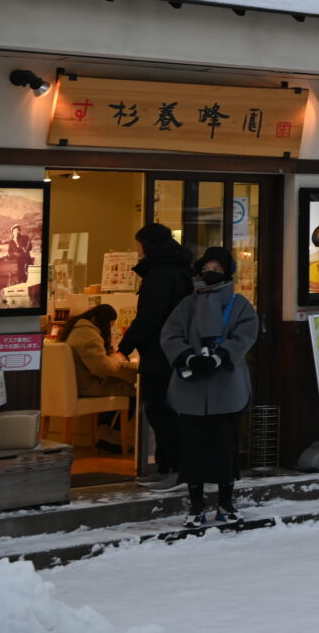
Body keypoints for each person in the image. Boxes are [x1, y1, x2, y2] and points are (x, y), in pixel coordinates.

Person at [161, 245, 257, 528]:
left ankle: (226, 503)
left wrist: (220, 356)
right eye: (206, 269)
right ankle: (196, 505)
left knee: (225, 447)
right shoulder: (187, 304)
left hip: (227, 388)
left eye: (217, 270)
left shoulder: (240, 304)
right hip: (191, 390)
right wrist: (187, 357)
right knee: (192, 449)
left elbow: (246, 334)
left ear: (227, 272)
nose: (211, 274)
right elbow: (170, 334)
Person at [117, 223, 195, 491]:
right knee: (167, 412)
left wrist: (124, 347)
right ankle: (168, 468)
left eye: (139, 245)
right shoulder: (180, 271)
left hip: (160, 354)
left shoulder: (160, 276)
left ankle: (174, 469)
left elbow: (148, 318)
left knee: (161, 412)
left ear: (148, 246)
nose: (138, 251)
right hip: (176, 353)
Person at [62, 304, 136, 447]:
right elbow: (103, 368)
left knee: (120, 386)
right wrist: (118, 357)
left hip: (77, 385)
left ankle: (105, 432)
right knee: (132, 389)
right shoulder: (88, 334)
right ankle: (110, 435)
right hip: (88, 386)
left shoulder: (76, 329)